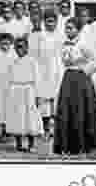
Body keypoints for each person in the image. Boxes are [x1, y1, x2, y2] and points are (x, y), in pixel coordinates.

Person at [53, 18, 96, 156]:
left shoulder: (83, 44)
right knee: (66, 110)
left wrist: (84, 70)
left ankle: (84, 144)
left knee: (80, 110)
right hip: (68, 78)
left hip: (81, 80)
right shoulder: (64, 45)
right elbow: (64, 62)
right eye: (66, 28)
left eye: (71, 28)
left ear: (78, 29)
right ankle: (68, 145)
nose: (68, 31)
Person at [28, 9, 65, 138]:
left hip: (58, 70)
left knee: (57, 99)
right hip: (43, 71)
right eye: (48, 21)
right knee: (44, 100)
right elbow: (34, 56)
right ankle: (45, 129)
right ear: (44, 22)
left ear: (56, 22)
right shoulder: (40, 36)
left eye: (53, 22)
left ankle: (56, 129)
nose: (50, 24)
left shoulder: (61, 36)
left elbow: (63, 54)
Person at [5, 38, 43, 152]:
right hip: (16, 91)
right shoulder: (13, 61)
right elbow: (9, 79)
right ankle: (19, 143)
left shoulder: (32, 61)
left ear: (27, 48)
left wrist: (37, 95)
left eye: (22, 47)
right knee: (17, 116)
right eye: (17, 47)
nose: (19, 49)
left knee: (30, 116)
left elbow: (37, 79)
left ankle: (31, 144)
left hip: (29, 91)